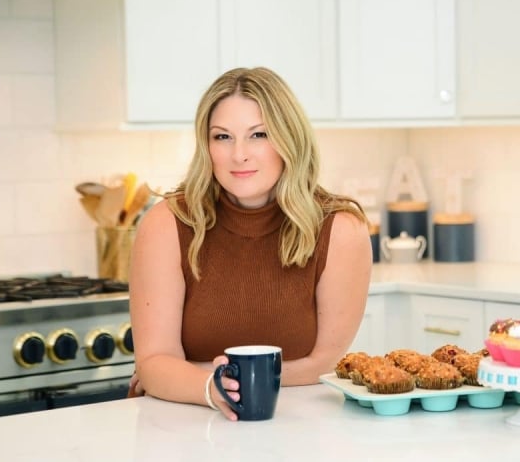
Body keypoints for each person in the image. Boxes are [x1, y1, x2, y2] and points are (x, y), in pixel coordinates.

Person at [127, 67, 372, 421]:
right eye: (222, 137)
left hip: (297, 425)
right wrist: (209, 388)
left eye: (258, 134)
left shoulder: (340, 229)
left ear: (289, 138)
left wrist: (212, 376)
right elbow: (152, 363)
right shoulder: (167, 223)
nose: (239, 155)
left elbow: (326, 363)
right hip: (180, 423)